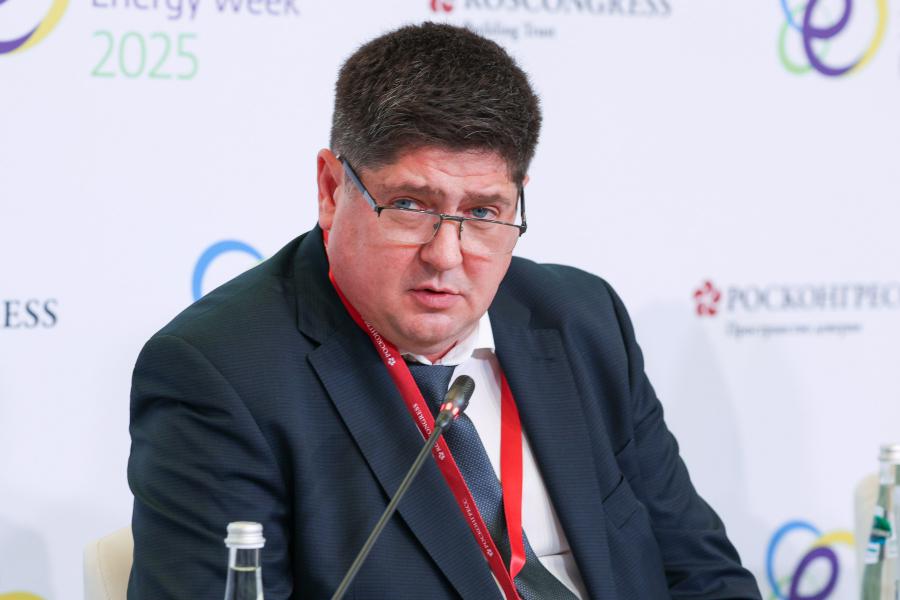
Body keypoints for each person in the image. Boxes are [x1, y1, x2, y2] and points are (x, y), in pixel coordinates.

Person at [127, 22, 762, 599]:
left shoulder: (582, 321)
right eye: (410, 205)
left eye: (483, 213)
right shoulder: (222, 374)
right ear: (331, 189)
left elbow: (702, 576)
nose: (446, 255)